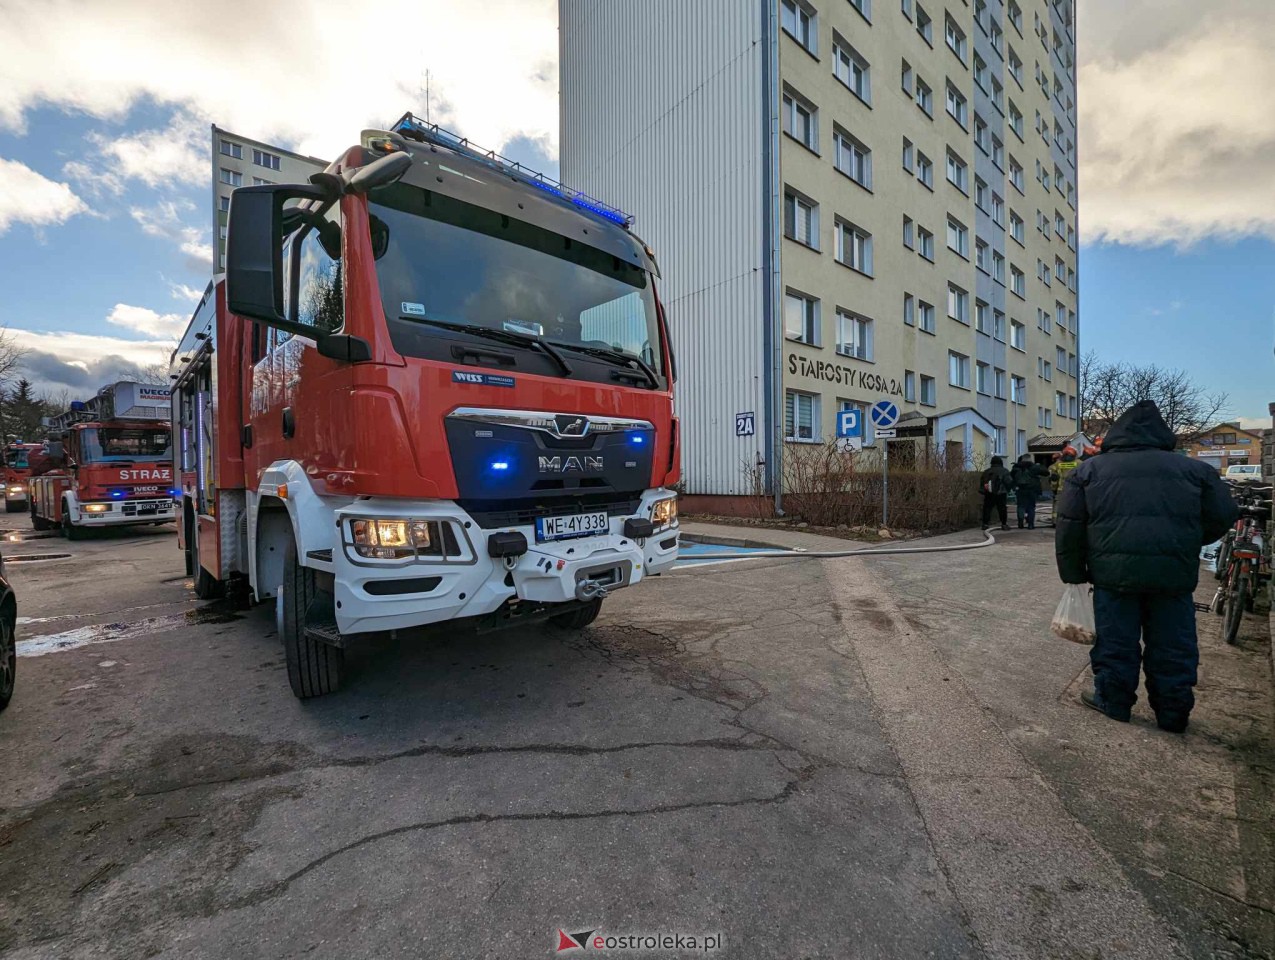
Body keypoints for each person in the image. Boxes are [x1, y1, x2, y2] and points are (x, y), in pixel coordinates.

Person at [1055, 400, 1237, 733]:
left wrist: (1074, 573)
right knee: (1173, 643)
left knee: (1116, 641)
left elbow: (1069, 526)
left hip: (1114, 575)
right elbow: (1223, 516)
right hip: (1172, 576)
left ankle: (1113, 701)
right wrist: (1185, 541)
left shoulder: (1089, 471)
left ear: (1117, 434)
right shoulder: (1196, 471)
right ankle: (1173, 712)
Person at [1009, 454, 1050, 529]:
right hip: (1032, 489)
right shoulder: (1034, 467)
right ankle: (1030, 525)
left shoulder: (1016, 467)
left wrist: (1014, 486)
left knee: (1021, 506)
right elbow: (1046, 473)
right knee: (1031, 507)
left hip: (1020, 489)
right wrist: (1041, 465)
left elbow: (1011, 477)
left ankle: (1020, 522)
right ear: (1030, 459)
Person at [1047, 447, 1080, 526]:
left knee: (1058, 507)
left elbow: (1053, 479)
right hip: (1076, 490)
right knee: (1075, 506)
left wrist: (1053, 489)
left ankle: (1055, 522)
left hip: (1061, 490)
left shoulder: (1056, 465)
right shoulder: (1080, 463)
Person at [979, 455, 1012, 531]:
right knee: (1002, 509)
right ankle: (1004, 524)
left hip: (989, 493)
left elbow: (982, 483)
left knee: (987, 508)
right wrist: (1008, 489)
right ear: (1001, 462)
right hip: (1001, 493)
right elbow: (1009, 482)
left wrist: (984, 491)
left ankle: (985, 524)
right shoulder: (1004, 471)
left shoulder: (986, 472)